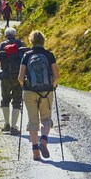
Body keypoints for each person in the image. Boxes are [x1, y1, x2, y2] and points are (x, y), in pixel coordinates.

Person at [18, 30, 59, 161]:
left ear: (31, 41)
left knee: (32, 120)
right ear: (43, 41)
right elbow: (56, 76)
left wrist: (23, 85)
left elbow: (20, 77)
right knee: (46, 119)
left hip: (29, 91)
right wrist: (53, 85)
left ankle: (36, 151)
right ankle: (44, 140)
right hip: (47, 92)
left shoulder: (26, 55)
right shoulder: (49, 55)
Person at [0, 27, 26, 134]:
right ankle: (14, 126)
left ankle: (6, 124)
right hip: (18, 77)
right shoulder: (21, 44)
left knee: (5, 99)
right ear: (15, 35)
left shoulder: (0, 46)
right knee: (17, 101)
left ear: (5, 35)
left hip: (5, 77)